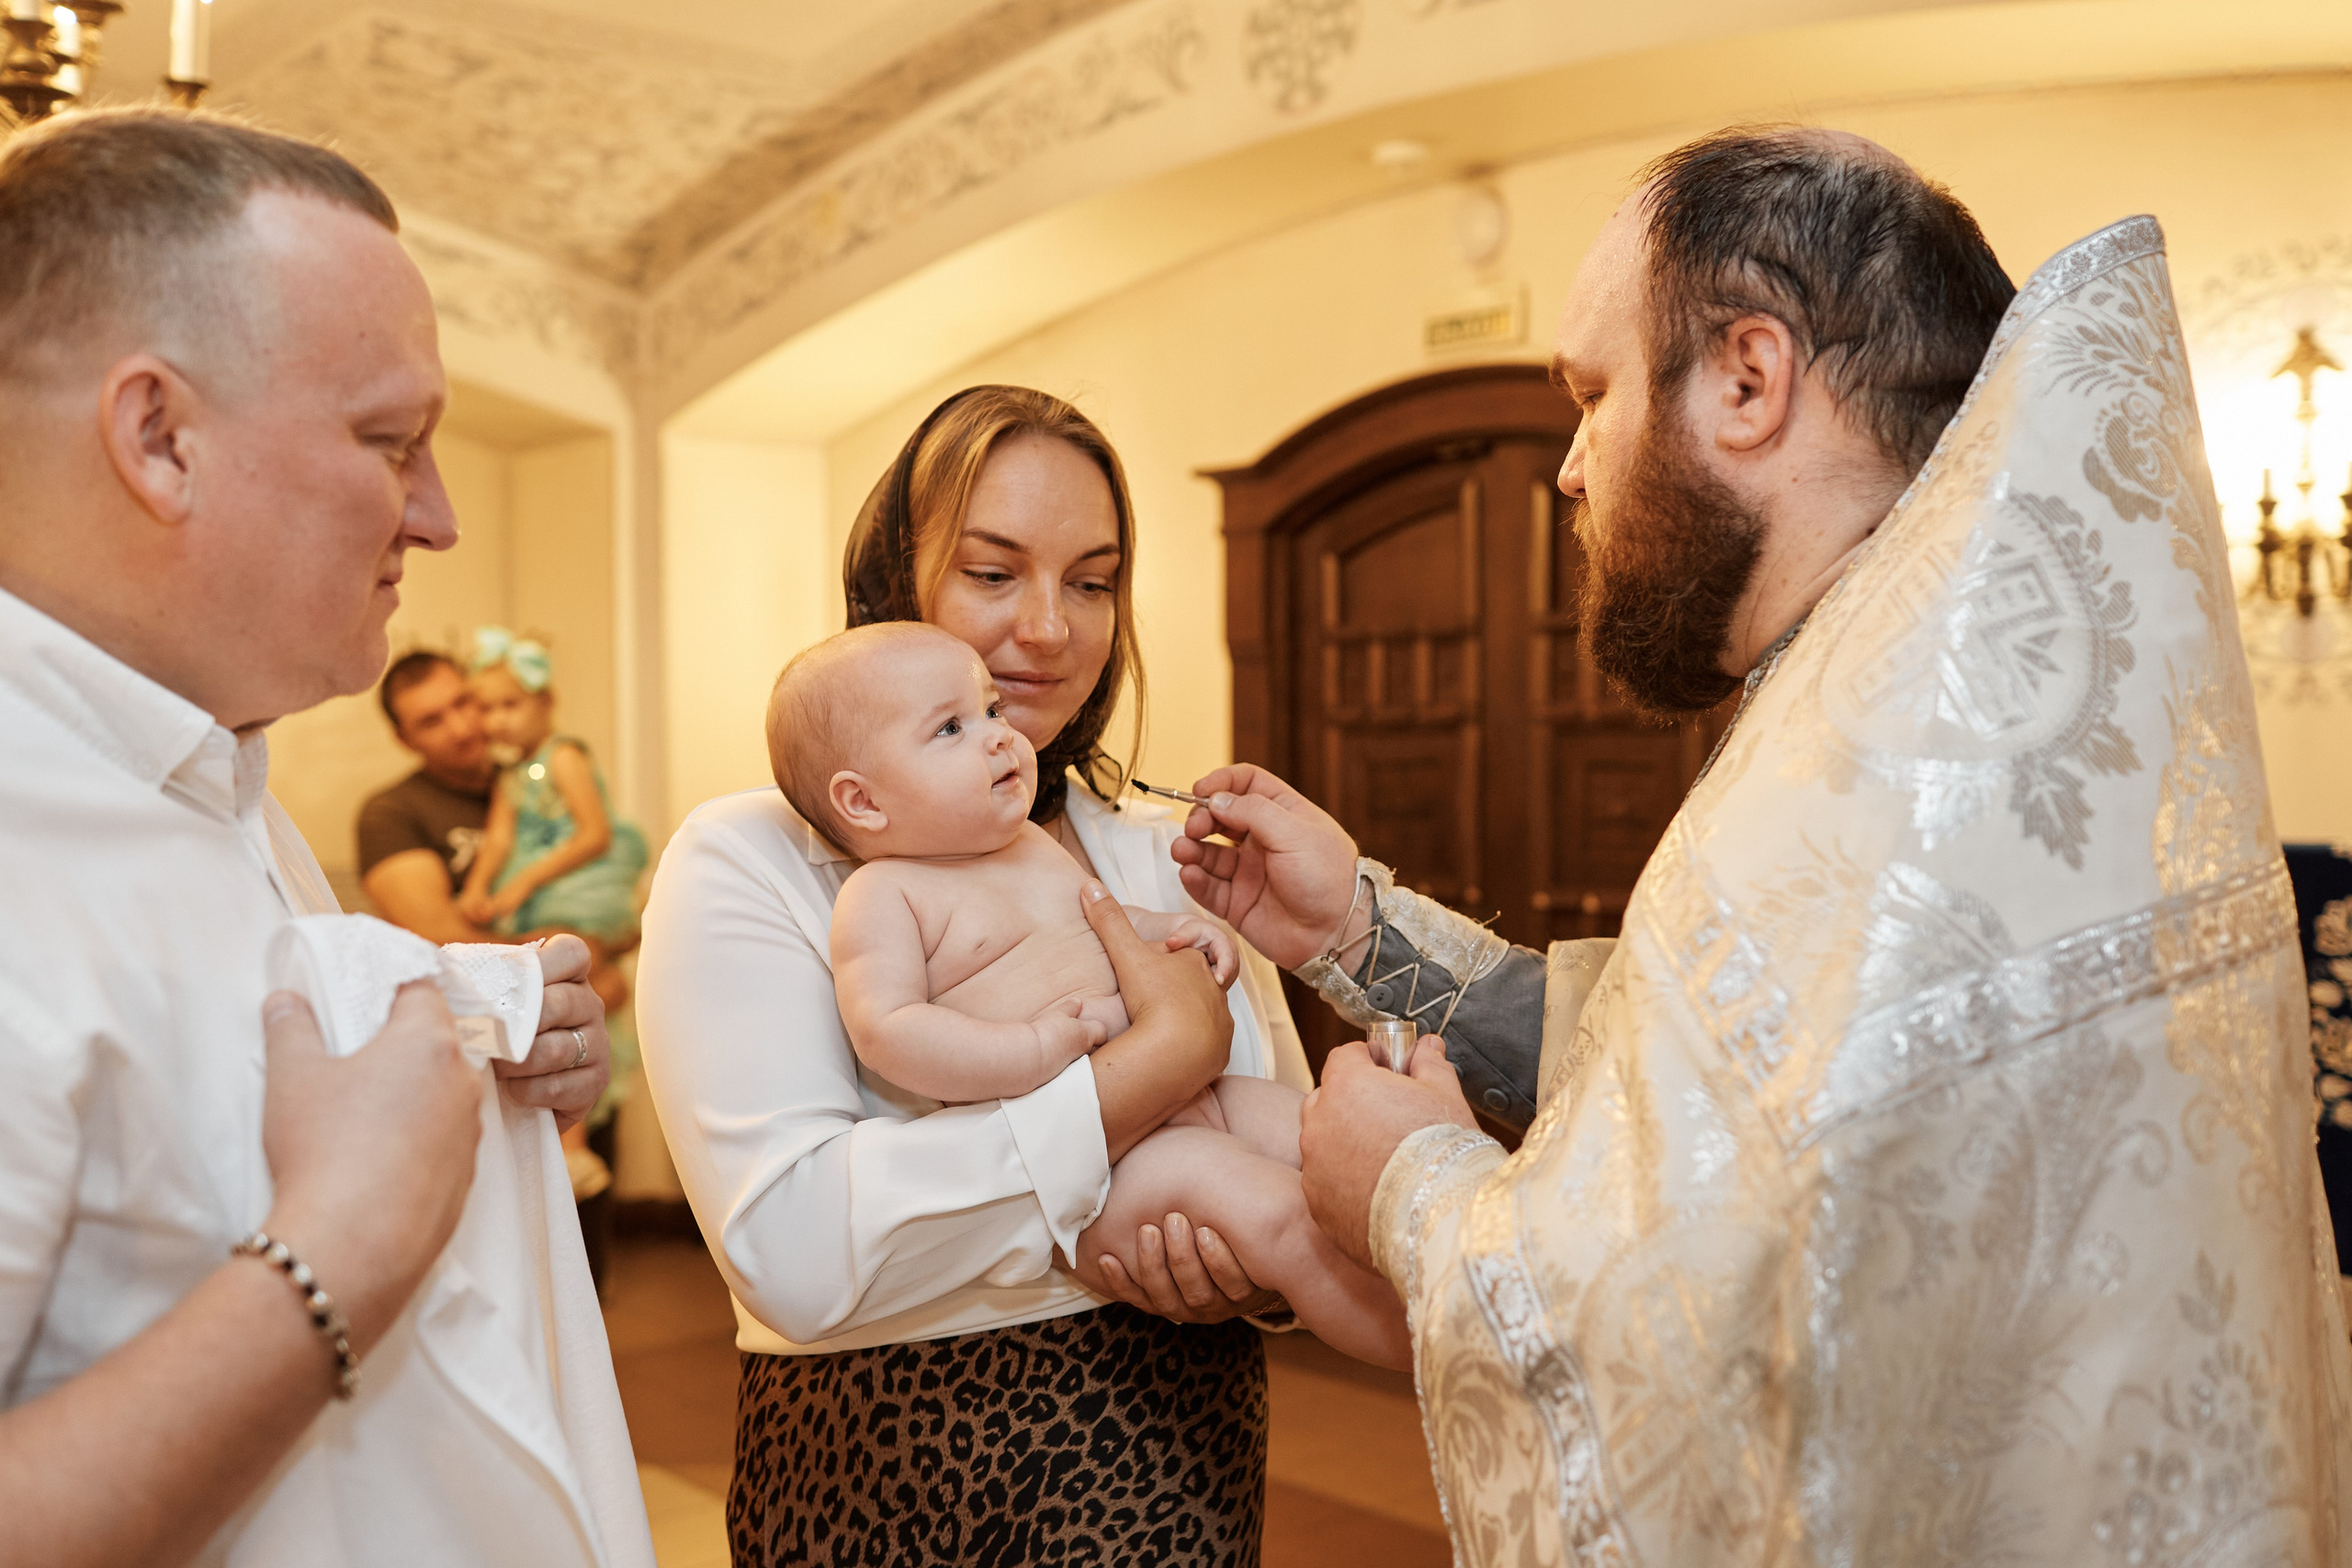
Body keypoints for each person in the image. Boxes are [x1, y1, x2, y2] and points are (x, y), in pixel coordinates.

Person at [1171, 128, 2352, 1561]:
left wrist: (1416, 1192)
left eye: (1590, 395)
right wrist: (1356, 935)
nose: (1566, 469)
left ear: (1747, 378)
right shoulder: (1919, 693)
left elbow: (1713, 1376)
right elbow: (1711, 1095)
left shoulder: (1901, 770)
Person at [0, 109, 619, 1566]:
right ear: (159, 439)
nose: (442, 516)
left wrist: (487, 1042)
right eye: (390, 441)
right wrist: (348, 1235)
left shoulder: (217, 775)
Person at [637, 385, 1310, 1567]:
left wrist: (1249, 1283)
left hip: (1180, 1446)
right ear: (894, 581)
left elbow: (1285, 1148)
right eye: (993, 573)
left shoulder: (1158, 854)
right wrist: (1142, 1080)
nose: (1050, 629)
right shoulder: (758, 860)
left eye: (1092, 581)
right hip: (895, 1473)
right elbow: (795, 1249)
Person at [773, 621, 1408, 1367]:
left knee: (1333, 1138)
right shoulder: (884, 896)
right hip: (1108, 1166)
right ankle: (1453, 1357)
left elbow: (1104, 918)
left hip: (1198, 1090)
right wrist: (1032, 1048)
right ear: (863, 801)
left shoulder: (1029, 845)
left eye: (992, 712)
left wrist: (1174, 929)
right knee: (1285, 1219)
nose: (998, 738)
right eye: (950, 727)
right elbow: (890, 1029)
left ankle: (1497, 1284)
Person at [458, 626, 648, 952]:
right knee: (529, 953)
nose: (498, 720)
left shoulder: (563, 757)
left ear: (546, 702)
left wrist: (526, 881)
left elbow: (594, 835)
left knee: (558, 954)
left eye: (510, 705)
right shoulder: (511, 774)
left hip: (578, 883)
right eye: (486, 709)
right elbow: (498, 838)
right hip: (538, 887)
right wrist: (476, 887)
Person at [359, 649, 498, 941]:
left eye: (462, 702)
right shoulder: (389, 813)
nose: (460, 730)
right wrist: (561, 952)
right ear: (404, 740)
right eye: (431, 721)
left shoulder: (532, 781)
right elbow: (441, 940)